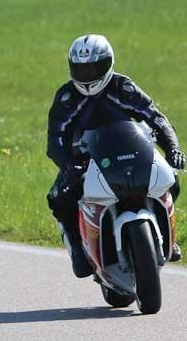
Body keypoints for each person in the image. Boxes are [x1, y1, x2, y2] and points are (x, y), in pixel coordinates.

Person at [47, 34, 184, 277]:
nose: (87, 75)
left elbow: (157, 119)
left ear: (107, 64)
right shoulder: (67, 98)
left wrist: (173, 148)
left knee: (171, 177)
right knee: (59, 197)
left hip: (130, 150)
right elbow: (55, 139)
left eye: (93, 68)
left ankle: (169, 235)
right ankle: (77, 248)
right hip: (84, 160)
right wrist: (68, 166)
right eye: (80, 69)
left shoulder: (123, 87)